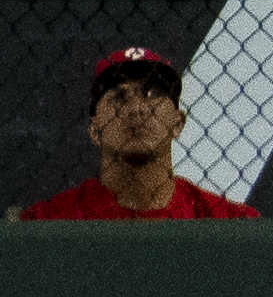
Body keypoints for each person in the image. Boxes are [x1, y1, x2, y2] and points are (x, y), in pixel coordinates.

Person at [25, 48, 253, 223]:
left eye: (153, 94)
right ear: (95, 130)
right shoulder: (47, 221)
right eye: (119, 97)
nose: (137, 109)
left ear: (177, 123)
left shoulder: (231, 222)